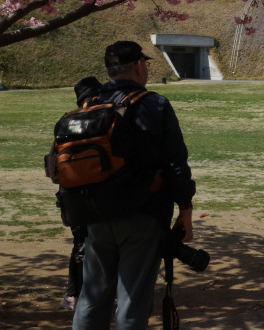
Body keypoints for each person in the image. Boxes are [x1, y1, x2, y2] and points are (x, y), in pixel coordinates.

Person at [73, 41, 196, 330]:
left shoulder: (91, 102)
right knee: (132, 299)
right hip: (143, 213)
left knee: (92, 296)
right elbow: (175, 162)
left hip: (95, 212)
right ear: (140, 66)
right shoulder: (154, 103)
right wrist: (186, 209)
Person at [60, 76, 104, 312]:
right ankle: (75, 294)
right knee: (86, 246)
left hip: (71, 194)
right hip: (94, 193)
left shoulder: (67, 121)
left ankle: (74, 294)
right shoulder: (101, 119)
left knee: (81, 243)